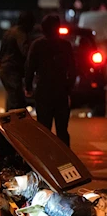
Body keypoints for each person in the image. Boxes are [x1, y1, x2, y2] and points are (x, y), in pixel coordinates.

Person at [25, 14, 76, 147]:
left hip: (43, 91)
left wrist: (28, 87)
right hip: (61, 92)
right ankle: (65, 158)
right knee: (62, 130)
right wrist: (68, 88)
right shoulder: (65, 45)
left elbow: (30, 68)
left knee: (44, 129)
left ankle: (46, 159)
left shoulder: (37, 45)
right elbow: (73, 70)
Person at [0, 11, 36, 111]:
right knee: (17, 103)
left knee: (12, 100)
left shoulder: (9, 32)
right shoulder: (20, 33)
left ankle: (7, 124)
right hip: (12, 71)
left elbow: (1, 53)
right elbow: (26, 51)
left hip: (5, 69)